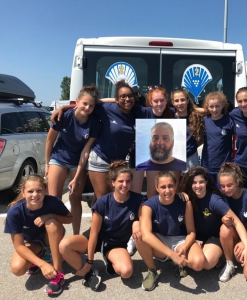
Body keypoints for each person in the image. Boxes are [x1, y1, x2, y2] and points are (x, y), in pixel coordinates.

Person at [59, 160, 144, 290]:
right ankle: (88, 273)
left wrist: (137, 221)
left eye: (128, 181)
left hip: (115, 244)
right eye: (121, 181)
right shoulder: (103, 202)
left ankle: (110, 259)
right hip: (97, 238)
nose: (125, 185)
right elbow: (94, 233)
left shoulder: (137, 200)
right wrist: (89, 262)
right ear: (113, 182)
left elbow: (150, 210)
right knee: (64, 245)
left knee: (127, 272)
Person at [45, 85, 101, 235]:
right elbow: (50, 141)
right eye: (84, 103)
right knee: (54, 199)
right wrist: (47, 164)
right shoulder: (63, 116)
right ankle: (55, 235)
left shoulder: (94, 123)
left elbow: (85, 151)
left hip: (78, 162)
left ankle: (76, 236)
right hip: (59, 158)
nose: (87, 107)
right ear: (77, 101)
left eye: (91, 105)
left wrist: (76, 178)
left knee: (75, 198)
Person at [4, 175, 72, 295]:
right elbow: (19, 246)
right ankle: (42, 258)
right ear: (23, 193)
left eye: (39, 190)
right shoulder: (15, 212)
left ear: (45, 190)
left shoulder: (53, 202)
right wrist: (43, 265)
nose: (35, 195)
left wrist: (51, 215)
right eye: (30, 191)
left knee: (51, 223)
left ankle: (58, 273)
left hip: (52, 235)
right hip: (34, 242)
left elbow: (70, 218)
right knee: (17, 268)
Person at [179, 166, 247, 282]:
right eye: (194, 183)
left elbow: (237, 222)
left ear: (206, 182)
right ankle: (193, 255)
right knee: (193, 260)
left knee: (205, 264)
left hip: (213, 238)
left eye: (201, 182)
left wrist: (246, 245)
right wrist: (179, 193)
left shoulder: (214, 200)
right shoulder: (186, 197)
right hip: (195, 238)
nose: (198, 186)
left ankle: (216, 259)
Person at [135, 171, 203, 291]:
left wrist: (185, 247)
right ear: (156, 188)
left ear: (176, 186)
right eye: (163, 187)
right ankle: (152, 270)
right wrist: (173, 255)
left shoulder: (185, 202)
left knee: (198, 264)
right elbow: (146, 235)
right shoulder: (148, 205)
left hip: (180, 240)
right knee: (139, 237)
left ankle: (180, 262)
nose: (167, 190)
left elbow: (191, 231)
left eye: (170, 186)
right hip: (161, 239)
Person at [218, 162, 247, 281]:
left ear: (237, 182)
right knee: (224, 229)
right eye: (223, 186)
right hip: (236, 234)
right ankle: (229, 263)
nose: (226, 189)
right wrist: (222, 218)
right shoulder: (222, 196)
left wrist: (245, 242)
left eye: (229, 185)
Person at [201, 92, 235, 184]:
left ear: (223, 105)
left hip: (224, 167)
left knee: (223, 193)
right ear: (207, 106)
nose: (214, 109)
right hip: (207, 166)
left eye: (217, 106)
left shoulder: (229, 120)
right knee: (210, 193)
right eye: (211, 107)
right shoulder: (204, 120)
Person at [170, 87, 205, 170]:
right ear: (173, 103)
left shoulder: (196, 117)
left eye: (183, 100)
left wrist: (192, 147)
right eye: (176, 101)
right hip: (174, 157)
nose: (180, 103)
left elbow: (208, 111)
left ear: (188, 100)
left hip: (191, 157)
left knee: (192, 182)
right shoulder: (170, 117)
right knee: (175, 182)